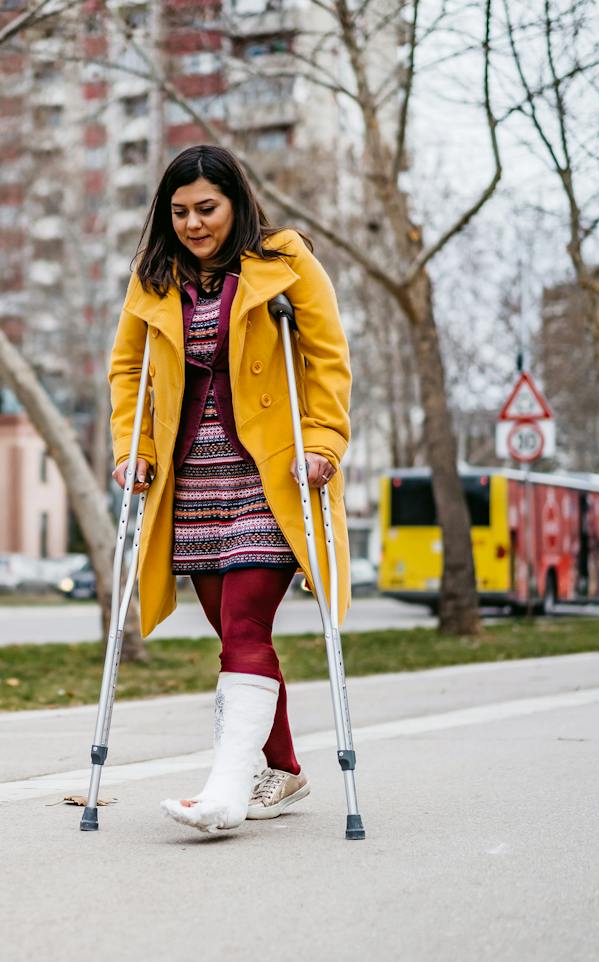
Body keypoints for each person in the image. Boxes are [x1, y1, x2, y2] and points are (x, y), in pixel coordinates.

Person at [107, 145, 353, 834]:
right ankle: (283, 770)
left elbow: (328, 355)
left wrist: (326, 440)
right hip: (190, 480)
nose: (192, 223)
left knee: (245, 623)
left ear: (235, 203)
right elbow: (128, 371)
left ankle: (226, 788)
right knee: (234, 633)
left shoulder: (284, 259)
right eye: (179, 211)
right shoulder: (153, 277)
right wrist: (135, 447)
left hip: (269, 473)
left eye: (206, 208)